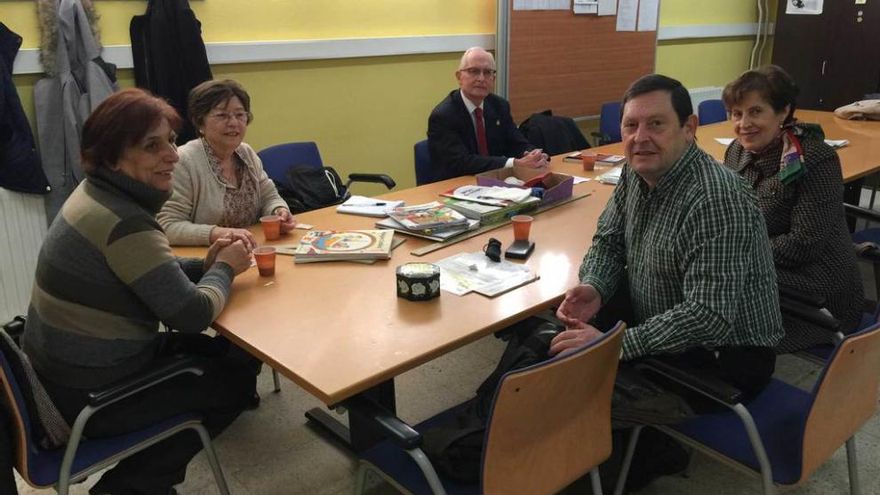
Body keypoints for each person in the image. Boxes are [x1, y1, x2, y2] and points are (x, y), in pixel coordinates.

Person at [22, 88, 257, 495]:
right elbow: (192, 315)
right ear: (112, 156)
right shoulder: (125, 221)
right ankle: (131, 487)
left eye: (169, 140)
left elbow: (143, 273)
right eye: (152, 146)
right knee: (234, 384)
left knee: (228, 354)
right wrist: (224, 269)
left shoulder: (94, 194)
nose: (171, 155)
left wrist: (203, 265)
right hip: (88, 393)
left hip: (56, 372)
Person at [550, 73, 784, 397]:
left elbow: (708, 317)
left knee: (575, 380)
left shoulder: (717, 199)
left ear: (689, 128)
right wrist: (596, 286)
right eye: (631, 126)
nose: (640, 138)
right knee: (555, 336)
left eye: (656, 124)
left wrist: (616, 345)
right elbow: (609, 241)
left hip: (723, 358)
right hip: (658, 315)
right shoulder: (636, 172)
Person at [721, 65, 863, 353]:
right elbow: (726, 213)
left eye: (756, 112)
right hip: (761, 267)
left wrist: (734, 252)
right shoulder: (737, 150)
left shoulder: (814, 159)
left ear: (783, 112)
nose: (743, 124)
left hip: (816, 284)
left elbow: (803, 245)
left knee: (710, 283)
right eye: (737, 114)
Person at [158, 79, 295, 246]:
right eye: (222, 115)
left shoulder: (246, 153)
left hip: (250, 250)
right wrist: (217, 233)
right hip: (204, 260)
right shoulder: (184, 160)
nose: (233, 123)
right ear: (201, 122)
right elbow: (167, 226)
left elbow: (270, 197)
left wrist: (279, 211)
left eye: (240, 115)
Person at [427, 47, 549, 181]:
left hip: (494, 183)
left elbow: (516, 142)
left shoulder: (499, 106)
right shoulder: (443, 115)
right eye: (474, 71)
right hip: (457, 185)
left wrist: (534, 155)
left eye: (487, 72)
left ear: (493, 78)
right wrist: (514, 163)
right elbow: (461, 162)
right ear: (459, 77)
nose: (481, 78)